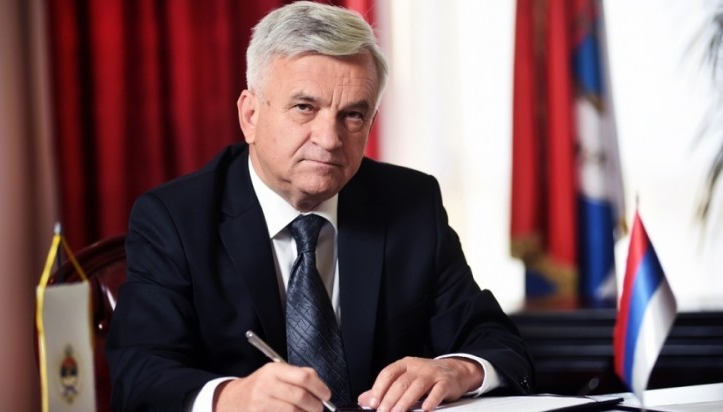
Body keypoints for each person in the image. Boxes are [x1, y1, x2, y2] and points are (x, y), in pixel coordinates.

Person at [105, 2, 534, 411]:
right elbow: (137, 375)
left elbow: (499, 345)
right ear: (250, 115)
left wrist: (459, 370)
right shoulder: (174, 219)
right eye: (304, 108)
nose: (329, 140)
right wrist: (230, 399)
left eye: (353, 115)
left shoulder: (410, 203)